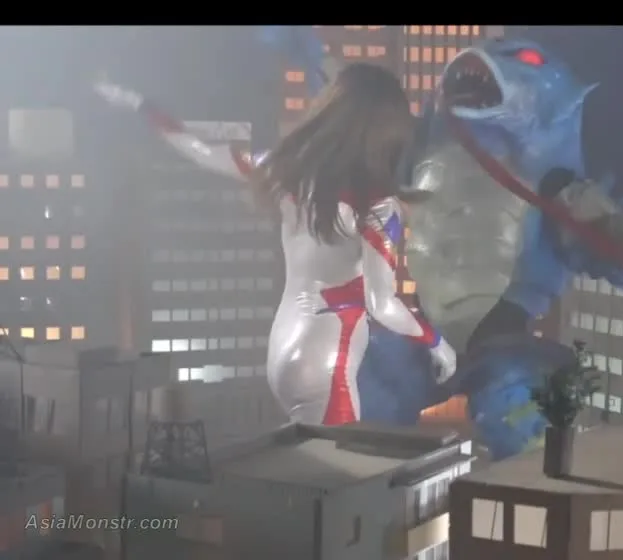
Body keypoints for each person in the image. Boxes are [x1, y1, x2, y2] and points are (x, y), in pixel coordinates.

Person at [94, 63, 457, 426]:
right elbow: (382, 304)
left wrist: (139, 104)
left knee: (309, 458)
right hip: (326, 360)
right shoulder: (377, 207)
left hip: (283, 349)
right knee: (336, 461)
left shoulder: (283, 171)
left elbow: (197, 149)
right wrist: (436, 342)